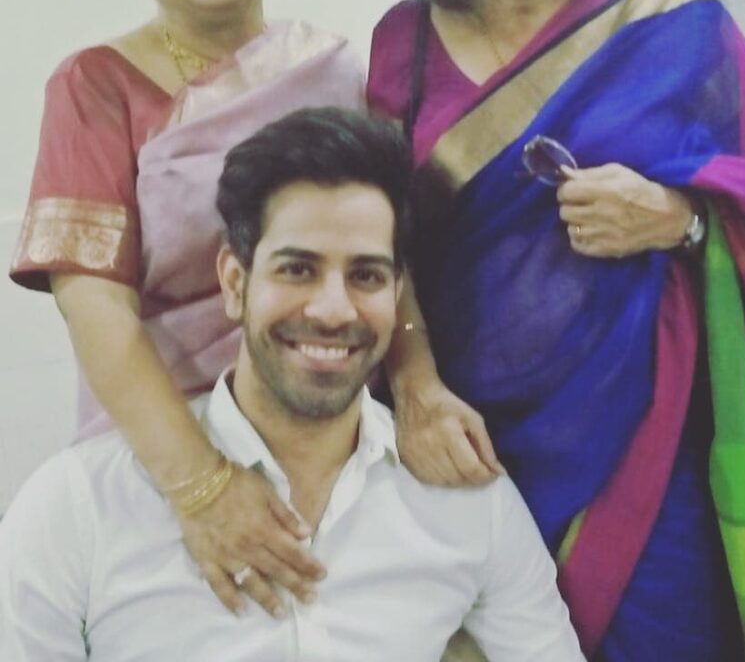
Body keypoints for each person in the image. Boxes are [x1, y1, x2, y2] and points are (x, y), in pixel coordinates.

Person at [368, 0, 745, 662]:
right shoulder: (403, 46)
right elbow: (376, 237)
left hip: (645, 456)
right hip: (460, 454)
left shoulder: (674, 26)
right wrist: (412, 384)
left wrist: (682, 218)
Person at [0, 107, 585, 662]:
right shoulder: (80, 507)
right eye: (297, 269)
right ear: (235, 282)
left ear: (396, 290)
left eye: (365, 275)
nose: (334, 309)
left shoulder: (465, 500)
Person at [9, 0, 363, 615]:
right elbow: (97, 310)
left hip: (332, 435)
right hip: (167, 454)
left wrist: (416, 388)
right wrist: (204, 489)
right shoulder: (94, 87)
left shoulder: (338, 75)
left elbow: (388, 266)